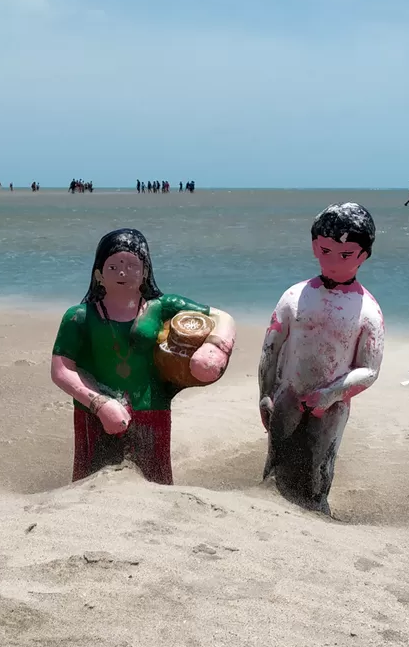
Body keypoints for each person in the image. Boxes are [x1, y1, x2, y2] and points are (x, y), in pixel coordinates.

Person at [51, 228, 236, 484]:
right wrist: (99, 404)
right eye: (113, 267)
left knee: (155, 478)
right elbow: (61, 370)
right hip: (94, 415)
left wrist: (215, 349)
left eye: (132, 266)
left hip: (152, 409)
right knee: (90, 479)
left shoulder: (162, 307)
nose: (123, 273)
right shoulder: (79, 317)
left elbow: (222, 317)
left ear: (145, 272)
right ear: (98, 275)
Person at [259, 203, 384, 516]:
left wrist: (330, 394)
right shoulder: (295, 296)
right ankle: (265, 508)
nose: (333, 260)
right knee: (276, 460)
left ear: (363, 255)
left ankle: (317, 510)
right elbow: (270, 349)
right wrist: (264, 393)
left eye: (345, 254)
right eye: (326, 250)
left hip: (333, 403)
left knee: (320, 466)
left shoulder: (368, 310)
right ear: (315, 247)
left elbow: (369, 369)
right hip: (287, 392)